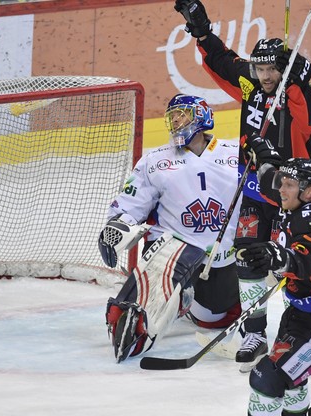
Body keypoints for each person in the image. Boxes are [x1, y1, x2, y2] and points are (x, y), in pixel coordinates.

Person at [175, 0, 311, 371]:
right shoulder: (251, 85)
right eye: (260, 67)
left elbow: (310, 112)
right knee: (248, 255)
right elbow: (223, 62)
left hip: (292, 191)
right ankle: (255, 333)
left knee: (297, 263)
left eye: (272, 68)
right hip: (256, 188)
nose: (264, 75)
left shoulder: (298, 94)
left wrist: (297, 77)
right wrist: (202, 31)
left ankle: (307, 331)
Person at [99, 94, 241, 362]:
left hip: (222, 258)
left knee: (211, 317)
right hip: (170, 250)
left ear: (202, 116)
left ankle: (185, 303)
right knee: (131, 318)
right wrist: (116, 226)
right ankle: (168, 298)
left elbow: (261, 205)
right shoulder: (155, 161)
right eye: (172, 116)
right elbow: (130, 204)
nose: (176, 120)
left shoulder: (235, 156)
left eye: (183, 114)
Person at [237, 145, 311, 416]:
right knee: (293, 383)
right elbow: (268, 181)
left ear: (309, 191)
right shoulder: (295, 201)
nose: (281, 189)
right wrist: (263, 154)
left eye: (288, 184)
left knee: (267, 377)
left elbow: (305, 260)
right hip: (299, 316)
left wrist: (278, 257)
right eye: (282, 182)